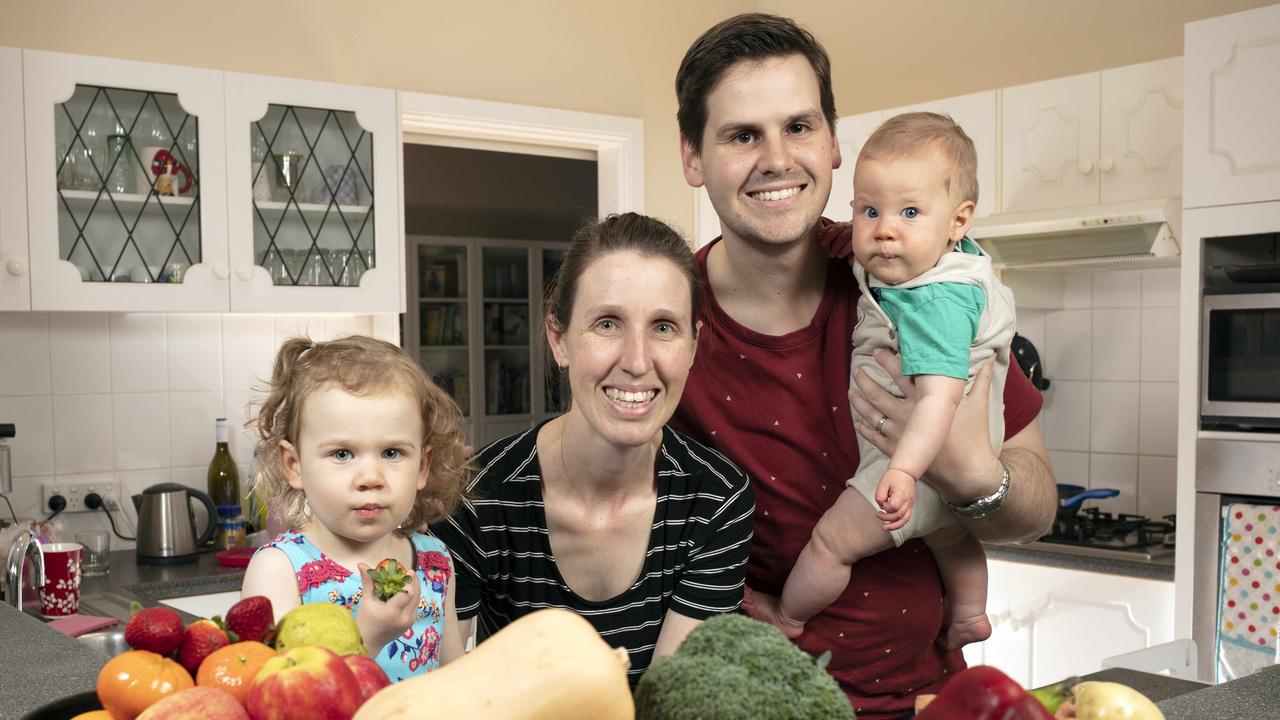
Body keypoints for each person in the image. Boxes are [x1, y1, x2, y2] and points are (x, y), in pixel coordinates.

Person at [670, 13, 1057, 719]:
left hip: (938, 698)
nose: (777, 158)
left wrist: (972, 474)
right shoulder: (667, 326)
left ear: (833, 141)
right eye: (741, 135)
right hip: (765, 705)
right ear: (692, 158)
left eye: (799, 126)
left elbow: (1037, 506)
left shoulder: (916, 273)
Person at [430, 213, 754, 688]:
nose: (638, 361)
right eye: (607, 323)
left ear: (692, 346)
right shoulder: (473, 497)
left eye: (664, 327)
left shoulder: (716, 501)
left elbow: (669, 701)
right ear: (559, 339)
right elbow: (442, 693)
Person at [745, 112, 1013, 653]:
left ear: (958, 221)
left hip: (920, 461)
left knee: (831, 544)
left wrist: (906, 470)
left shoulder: (935, 301)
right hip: (941, 486)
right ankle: (969, 613)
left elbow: (938, 398)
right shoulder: (947, 262)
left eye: (909, 212)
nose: (884, 230)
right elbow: (890, 237)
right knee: (947, 532)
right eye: (869, 211)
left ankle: (787, 615)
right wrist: (857, 239)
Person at [242, 335, 470, 680]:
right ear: (294, 465)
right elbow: (274, 694)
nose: (370, 478)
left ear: (422, 466)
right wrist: (368, 636)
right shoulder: (278, 570)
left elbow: (456, 681)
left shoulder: (436, 561)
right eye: (342, 454)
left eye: (392, 453)